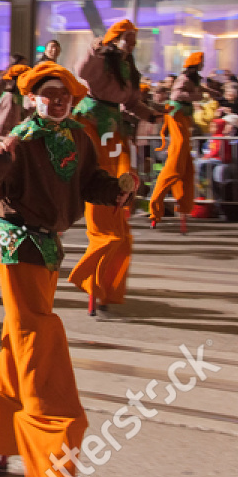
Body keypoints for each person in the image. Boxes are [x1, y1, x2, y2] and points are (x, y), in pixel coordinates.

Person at [0, 66, 139, 477]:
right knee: (38, 348)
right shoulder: (18, 139)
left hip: (50, 251)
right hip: (17, 248)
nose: (58, 101)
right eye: (49, 95)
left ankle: (5, 439)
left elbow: (90, 183)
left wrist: (119, 189)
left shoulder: (79, 137)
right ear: (33, 98)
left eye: (64, 95)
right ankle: (44, 471)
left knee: (18, 345)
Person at [69, 21, 161, 316]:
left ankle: (104, 287)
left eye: (134, 40)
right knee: (102, 209)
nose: (131, 44)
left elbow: (132, 103)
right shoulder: (102, 62)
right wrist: (95, 50)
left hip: (113, 131)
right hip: (93, 126)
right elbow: (83, 72)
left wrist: (154, 114)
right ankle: (92, 280)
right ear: (115, 39)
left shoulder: (128, 68)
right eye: (126, 39)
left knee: (120, 214)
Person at [148, 52, 217, 231]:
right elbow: (177, 95)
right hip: (177, 117)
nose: (203, 65)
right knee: (176, 165)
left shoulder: (192, 78)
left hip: (184, 120)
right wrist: (197, 96)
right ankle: (155, 207)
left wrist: (207, 92)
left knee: (186, 167)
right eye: (201, 62)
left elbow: (196, 91)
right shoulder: (184, 78)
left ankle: (184, 210)